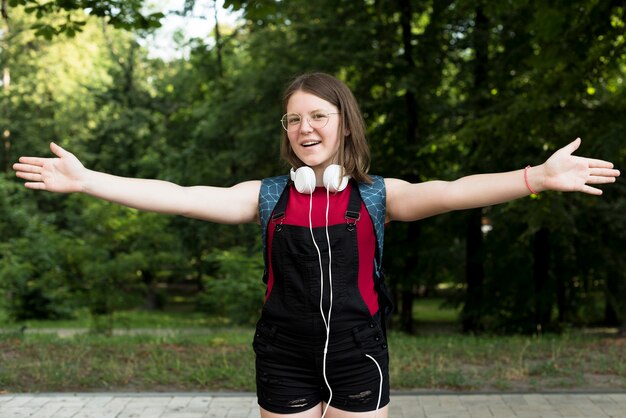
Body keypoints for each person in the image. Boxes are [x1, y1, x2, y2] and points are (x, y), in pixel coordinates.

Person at [12, 73, 620, 418]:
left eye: (318, 116)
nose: (305, 128)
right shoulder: (268, 196)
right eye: (294, 120)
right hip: (282, 352)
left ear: (343, 122)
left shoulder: (378, 196)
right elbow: (177, 193)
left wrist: (536, 178)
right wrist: (89, 181)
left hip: (361, 350)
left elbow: (455, 190)